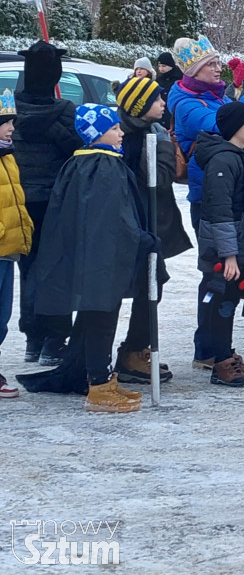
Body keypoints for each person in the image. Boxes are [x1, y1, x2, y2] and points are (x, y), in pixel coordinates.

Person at [28, 105, 152, 412]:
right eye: (114, 129)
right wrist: (141, 238)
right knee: (101, 317)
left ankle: (98, 378)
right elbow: (113, 217)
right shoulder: (103, 166)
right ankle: (99, 386)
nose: (121, 133)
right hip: (102, 257)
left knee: (95, 316)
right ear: (97, 134)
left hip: (88, 255)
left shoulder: (81, 164)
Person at [166, 35, 244, 339]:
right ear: (192, 71)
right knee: (217, 274)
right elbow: (225, 124)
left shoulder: (218, 96)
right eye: (210, 65)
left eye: (218, 62)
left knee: (233, 276)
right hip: (210, 197)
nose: (218, 69)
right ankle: (209, 348)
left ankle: (218, 348)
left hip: (234, 193)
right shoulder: (187, 104)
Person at [111, 77, 192, 385]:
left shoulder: (150, 132)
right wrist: (162, 148)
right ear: (141, 106)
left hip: (149, 224)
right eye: (157, 99)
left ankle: (135, 349)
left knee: (153, 283)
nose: (163, 104)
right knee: (141, 285)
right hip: (133, 226)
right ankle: (126, 353)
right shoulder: (131, 139)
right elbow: (156, 180)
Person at [192, 102, 244, 384]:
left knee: (228, 301)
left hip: (237, 244)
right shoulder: (223, 161)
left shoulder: (239, 156)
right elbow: (220, 210)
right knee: (221, 303)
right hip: (224, 248)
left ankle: (224, 354)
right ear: (235, 127)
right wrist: (228, 254)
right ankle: (221, 363)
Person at [13, 41, 82, 366]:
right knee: (55, 270)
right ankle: (53, 339)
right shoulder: (64, 111)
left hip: (21, 201)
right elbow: (74, 150)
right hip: (54, 202)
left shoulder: (12, 110)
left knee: (28, 270)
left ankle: (33, 338)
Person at [0, 91, 32, 398]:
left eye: (11, 121)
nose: (11, 128)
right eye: (5, 122)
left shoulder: (8, 155)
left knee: (1, 315)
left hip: (8, 248)